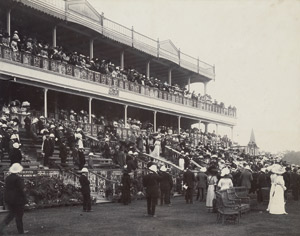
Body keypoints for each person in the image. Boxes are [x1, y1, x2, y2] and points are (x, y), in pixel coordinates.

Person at [0, 163, 28, 234]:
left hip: (9, 199)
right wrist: (25, 199)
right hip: (17, 200)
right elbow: (22, 190)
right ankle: (21, 231)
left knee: (11, 214)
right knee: (19, 215)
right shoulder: (18, 179)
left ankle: (1, 227)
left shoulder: (8, 178)